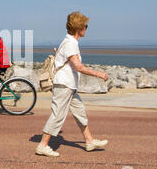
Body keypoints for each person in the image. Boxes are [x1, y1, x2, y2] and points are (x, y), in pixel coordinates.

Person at [35, 12, 109, 157]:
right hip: (64, 86)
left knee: (79, 111)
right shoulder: (70, 43)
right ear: (79, 28)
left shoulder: (71, 42)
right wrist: (99, 74)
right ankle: (42, 145)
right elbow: (78, 66)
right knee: (58, 115)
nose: (86, 29)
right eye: (85, 26)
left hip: (69, 86)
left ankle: (89, 141)